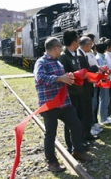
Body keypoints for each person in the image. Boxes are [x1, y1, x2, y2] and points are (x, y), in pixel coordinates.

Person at [34, 37, 91, 172]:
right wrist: (60, 78)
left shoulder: (58, 63)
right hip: (50, 105)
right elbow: (40, 78)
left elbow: (61, 77)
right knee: (51, 133)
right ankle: (52, 162)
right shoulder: (41, 62)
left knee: (76, 125)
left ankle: (77, 151)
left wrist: (68, 76)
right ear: (54, 48)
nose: (62, 49)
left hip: (64, 103)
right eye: (60, 47)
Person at [58, 30, 95, 152]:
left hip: (79, 91)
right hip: (70, 93)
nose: (79, 41)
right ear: (74, 41)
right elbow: (63, 76)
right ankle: (70, 146)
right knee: (70, 121)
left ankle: (78, 143)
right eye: (78, 39)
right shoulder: (64, 56)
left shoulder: (75, 54)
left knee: (79, 119)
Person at [77, 36, 102, 139]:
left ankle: (87, 134)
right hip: (83, 88)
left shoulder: (84, 53)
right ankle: (84, 135)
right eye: (91, 44)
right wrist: (95, 68)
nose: (92, 46)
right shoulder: (80, 55)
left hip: (87, 87)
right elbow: (85, 70)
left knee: (87, 112)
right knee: (84, 112)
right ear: (87, 45)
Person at [94, 42, 111, 125]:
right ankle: (103, 118)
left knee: (106, 97)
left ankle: (104, 116)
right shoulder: (98, 57)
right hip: (102, 79)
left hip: (105, 78)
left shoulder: (102, 56)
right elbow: (101, 69)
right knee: (104, 98)